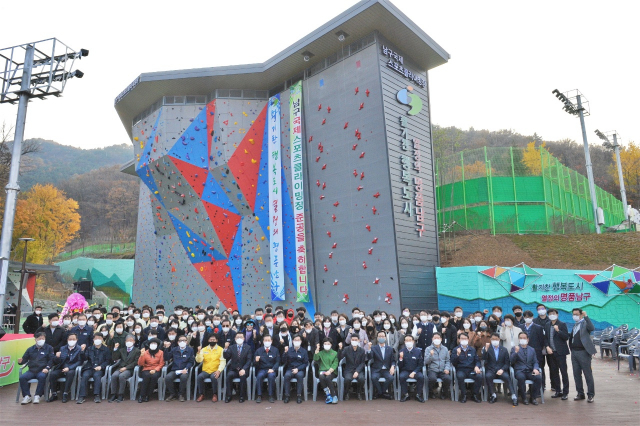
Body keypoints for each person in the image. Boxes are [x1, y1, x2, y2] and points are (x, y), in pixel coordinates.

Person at [47, 332, 84, 403]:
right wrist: (57, 357)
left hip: (72, 368)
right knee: (52, 374)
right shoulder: (63, 348)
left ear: (76, 340)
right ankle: (54, 394)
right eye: (70, 339)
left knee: (70, 374)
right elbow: (57, 361)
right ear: (67, 340)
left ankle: (65, 393)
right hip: (62, 367)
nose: (72, 340)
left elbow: (79, 362)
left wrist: (69, 368)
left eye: (73, 339)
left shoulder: (79, 349)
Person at [18, 332, 54, 405]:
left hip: (42, 370)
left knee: (41, 376)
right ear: (35, 339)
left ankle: (37, 395)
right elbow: (24, 359)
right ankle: (27, 396)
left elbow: (51, 360)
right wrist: (20, 362)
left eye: (43, 338)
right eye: (39, 338)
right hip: (31, 370)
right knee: (22, 377)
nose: (41, 340)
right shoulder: (30, 349)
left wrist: (47, 368)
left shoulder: (49, 348)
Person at [482, 332, 517, 406]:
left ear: (499, 340)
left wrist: (502, 369)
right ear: (490, 340)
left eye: (496, 339)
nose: (495, 341)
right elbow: (483, 359)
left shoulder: (504, 349)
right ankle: (493, 395)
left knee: (507, 377)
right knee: (488, 376)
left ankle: (513, 396)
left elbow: (507, 363)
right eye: (493, 339)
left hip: (501, 369)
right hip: (491, 369)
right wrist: (486, 350)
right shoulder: (488, 348)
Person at [568, 308, 595, 403]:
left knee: (587, 374)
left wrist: (586, 316)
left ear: (581, 315)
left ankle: (590, 395)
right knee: (576, 374)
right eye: (573, 314)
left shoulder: (585, 323)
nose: (574, 316)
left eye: (576, 314)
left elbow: (592, 328)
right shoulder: (575, 325)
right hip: (574, 352)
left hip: (583, 352)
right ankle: (580, 393)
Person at [77, 333, 111, 404]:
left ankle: (97, 395)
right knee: (85, 376)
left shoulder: (106, 349)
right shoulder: (89, 348)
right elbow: (84, 358)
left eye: (99, 338)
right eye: (95, 338)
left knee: (97, 376)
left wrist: (101, 367)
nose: (97, 340)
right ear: (93, 340)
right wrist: (82, 351)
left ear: (102, 339)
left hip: (99, 368)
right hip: (89, 367)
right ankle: (82, 396)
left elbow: (108, 361)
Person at [510, 331, 542, 405]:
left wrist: (535, 368)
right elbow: (511, 361)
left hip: (530, 370)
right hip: (520, 370)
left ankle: (533, 397)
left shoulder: (532, 349)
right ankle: (524, 398)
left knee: (538, 378)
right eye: (520, 338)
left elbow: (535, 361)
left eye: (524, 338)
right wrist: (516, 352)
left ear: (528, 339)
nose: (522, 339)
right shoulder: (514, 348)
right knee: (521, 378)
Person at [545, 308, 570, 400]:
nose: (552, 315)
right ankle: (558, 391)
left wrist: (558, 331)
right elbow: (546, 338)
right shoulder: (547, 324)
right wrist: (547, 347)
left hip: (560, 352)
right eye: (550, 313)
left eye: (553, 313)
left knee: (563, 372)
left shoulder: (562, 324)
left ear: (557, 314)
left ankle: (565, 392)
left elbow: (566, 337)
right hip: (551, 353)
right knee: (554, 372)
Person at [450, 333, 482, 403]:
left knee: (479, 376)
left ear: (468, 339)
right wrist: (457, 355)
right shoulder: (455, 349)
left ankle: (475, 394)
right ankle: (463, 395)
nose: (464, 340)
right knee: (460, 376)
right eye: (462, 339)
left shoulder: (472, 349)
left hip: (471, 369)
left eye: (465, 339)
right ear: (459, 340)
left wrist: (477, 366)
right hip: (461, 369)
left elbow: (477, 360)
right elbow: (453, 362)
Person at [108, 334, 140, 402]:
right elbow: (115, 358)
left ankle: (121, 394)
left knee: (122, 376)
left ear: (134, 341)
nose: (129, 342)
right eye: (127, 340)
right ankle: (113, 394)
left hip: (130, 369)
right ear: (125, 342)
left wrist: (126, 368)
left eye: (131, 340)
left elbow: (136, 362)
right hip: (120, 368)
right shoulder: (122, 350)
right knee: (114, 375)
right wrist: (115, 349)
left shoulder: (137, 351)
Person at [164, 335, 195, 402]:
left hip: (185, 370)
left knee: (183, 377)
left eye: (184, 340)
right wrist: (166, 348)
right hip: (175, 369)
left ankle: (181, 394)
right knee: (168, 377)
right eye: (180, 340)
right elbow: (167, 358)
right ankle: (173, 394)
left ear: (186, 342)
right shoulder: (174, 349)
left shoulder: (190, 350)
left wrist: (186, 368)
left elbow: (191, 361)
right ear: (178, 342)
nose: (182, 342)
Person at [195, 334, 226, 402]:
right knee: (199, 377)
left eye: (214, 340)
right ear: (208, 340)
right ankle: (201, 394)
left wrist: (219, 370)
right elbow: (199, 360)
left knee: (213, 377)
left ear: (216, 340)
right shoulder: (204, 349)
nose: (212, 341)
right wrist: (199, 352)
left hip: (215, 370)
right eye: (211, 340)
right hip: (205, 370)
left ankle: (215, 394)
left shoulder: (221, 349)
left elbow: (223, 361)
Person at [223, 331, 252, 403]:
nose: (239, 338)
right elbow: (226, 356)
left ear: (244, 338)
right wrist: (225, 348)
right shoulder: (231, 347)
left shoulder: (248, 348)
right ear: (235, 339)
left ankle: (242, 396)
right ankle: (229, 395)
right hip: (234, 369)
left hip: (243, 369)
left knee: (243, 376)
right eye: (237, 337)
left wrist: (244, 369)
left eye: (241, 337)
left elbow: (249, 360)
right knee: (229, 375)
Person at [521, 310, 546, 389]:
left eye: (529, 317)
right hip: (523, 352)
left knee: (538, 369)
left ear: (532, 317)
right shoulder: (520, 327)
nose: (527, 318)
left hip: (536, 352)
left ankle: (540, 387)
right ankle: (528, 389)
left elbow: (542, 340)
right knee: (526, 371)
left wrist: (539, 349)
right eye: (526, 317)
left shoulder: (538, 328)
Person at [368, 330, 395, 400]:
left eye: (383, 336)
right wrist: (369, 350)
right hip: (376, 369)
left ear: (385, 338)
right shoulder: (374, 348)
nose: (381, 338)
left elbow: (393, 360)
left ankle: (380, 393)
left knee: (391, 378)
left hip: (386, 369)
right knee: (373, 378)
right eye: (380, 336)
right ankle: (382, 393)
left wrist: (392, 366)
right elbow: (369, 358)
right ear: (377, 338)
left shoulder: (390, 349)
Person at [282, 334, 309, 404]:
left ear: (301, 341)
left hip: (300, 369)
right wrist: (285, 353)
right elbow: (283, 361)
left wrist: (298, 369)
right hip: (290, 369)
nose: (297, 341)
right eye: (295, 340)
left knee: (300, 376)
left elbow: (306, 363)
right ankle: (287, 395)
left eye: (298, 340)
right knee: (287, 376)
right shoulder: (289, 350)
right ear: (292, 341)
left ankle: (299, 395)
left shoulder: (304, 351)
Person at [339, 333, 366, 400]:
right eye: (352, 339)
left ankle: (359, 392)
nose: (354, 341)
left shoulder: (362, 350)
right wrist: (340, 349)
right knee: (347, 379)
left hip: (358, 370)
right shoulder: (346, 349)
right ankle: (346, 393)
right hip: (349, 369)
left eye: (355, 340)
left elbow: (363, 363)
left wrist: (357, 371)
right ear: (350, 340)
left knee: (362, 379)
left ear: (359, 340)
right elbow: (340, 358)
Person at [397, 335, 425, 402]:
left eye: (410, 340)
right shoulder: (401, 351)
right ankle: (406, 395)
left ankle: (418, 395)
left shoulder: (418, 351)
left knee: (421, 377)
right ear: (404, 342)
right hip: (405, 370)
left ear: (413, 341)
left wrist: (414, 372)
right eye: (407, 340)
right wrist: (401, 358)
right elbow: (399, 366)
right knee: (402, 377)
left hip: (415, 371)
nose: (408, 342)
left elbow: (420, 364)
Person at [424, 332, 452, 400]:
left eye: (438, 338)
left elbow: (448, 361)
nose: (436, 339)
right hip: (432, 369)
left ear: (441, 339)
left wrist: (447, 368)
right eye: (435, 338)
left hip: (443, 370)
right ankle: (431, 392)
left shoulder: (445, 349)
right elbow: (426, 362)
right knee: (432, 379)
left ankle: (443, 392)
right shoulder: (428, 349)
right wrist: (430, 355)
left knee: (448, 379)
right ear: (432, 339)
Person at [253, 334, 279, 403]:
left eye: (268, 340)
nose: (267, 341)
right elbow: (254, 364)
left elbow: (278, 362)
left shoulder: (275, 350)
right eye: (265, 340)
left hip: (271, 369)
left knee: (271, 376)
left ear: (271, 341)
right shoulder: (259, 350)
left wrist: (273, 369)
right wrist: (256, 361)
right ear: (263, 341)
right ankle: (259, 395)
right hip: (262, 369)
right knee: (259, 376)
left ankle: (271, 395)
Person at [137, 338, 164, 403]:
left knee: (154, 377)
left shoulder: (161, 352)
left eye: (155, 344)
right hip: (146, 369)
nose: (153, 345)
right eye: (152, 343)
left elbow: (161, 363)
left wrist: (155, 369)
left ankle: (148, 395)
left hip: (156, 369)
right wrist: (141, 356)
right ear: (149, 345)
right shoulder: (145, 352)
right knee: (146, 376)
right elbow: (140, 364)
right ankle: (141, 395)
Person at [313, 337, 339, 404]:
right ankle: (328, 394)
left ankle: (334, 396)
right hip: (322, 370)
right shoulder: (321, 353)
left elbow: (335, 363)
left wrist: (330, 371)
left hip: (332, 371)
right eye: (325, 344)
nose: (326, 345)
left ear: (331, 345)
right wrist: (316, 351)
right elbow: (315, 359)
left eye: (328, 344)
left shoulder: (335, 353)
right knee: (321, 377)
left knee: (328, 378)